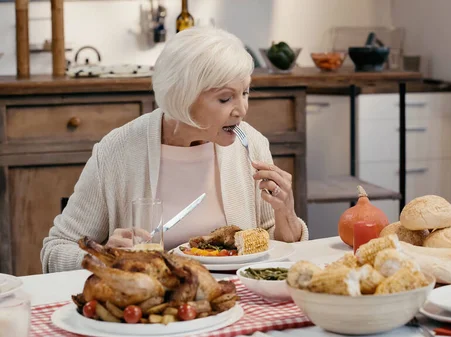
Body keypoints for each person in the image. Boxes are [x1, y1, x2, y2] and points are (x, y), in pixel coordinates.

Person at [41, 27, 308, 273]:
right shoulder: (117, 153)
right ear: (183, 96)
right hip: (150, 312)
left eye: (246, 93)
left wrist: (287, 214)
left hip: (234, 302)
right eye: (225, 98)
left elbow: (274, 250)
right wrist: (106, 257)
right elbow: (55, 250)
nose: (242, 109)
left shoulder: (252, 144)